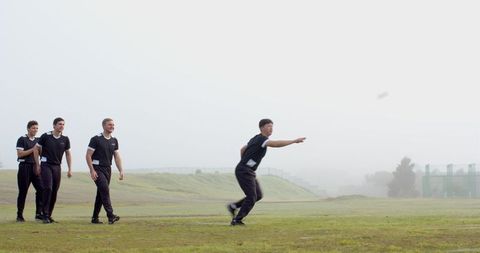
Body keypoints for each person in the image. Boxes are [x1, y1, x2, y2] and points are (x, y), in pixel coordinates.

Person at [227, 119, 306, 226]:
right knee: (251, 197)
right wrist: (293, 141)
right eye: (268, 126)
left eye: (272, 126)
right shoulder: (262, 139)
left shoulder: (255, 138)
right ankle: (237, 220)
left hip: (247, 170)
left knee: (258, 195)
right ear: (262, 128)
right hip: (244, 170)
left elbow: (242, 149)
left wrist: (244, 162)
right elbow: (275, 144)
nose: (271, 128)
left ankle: (233, 206)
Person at [34, 117, 72, 223]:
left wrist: (69, 168)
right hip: (46, 165)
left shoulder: (65, 139)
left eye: (63, 124)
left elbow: (68, 154)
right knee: (48, 188)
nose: (62, 126)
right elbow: (36, 149)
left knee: (54, 190)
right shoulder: (46, 136)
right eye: (59, 124)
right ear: (54, 125)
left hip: (57, 167)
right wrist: (37, 164)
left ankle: (49, 215)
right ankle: (44, 214)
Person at [86, 118, 124, 224]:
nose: (112, 126)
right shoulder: (96, 139)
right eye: (109, 125)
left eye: (113, 125)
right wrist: (92, 170)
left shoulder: (114, 140)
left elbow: (117, 156)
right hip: (97, 168)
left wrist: (121, 170)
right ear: (103, 126)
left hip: (108, 169)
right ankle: (110, 215)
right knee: (104, 189)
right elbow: (88, 155)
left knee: (101, 193)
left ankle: (94, 218)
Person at [15, 120, 44, 222]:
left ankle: (38, 214)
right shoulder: (22, 139)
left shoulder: (39, 140)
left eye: (36, 128)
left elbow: (41, 153)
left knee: (41, 189)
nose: (35, 130)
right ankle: (19, 215)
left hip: (35, 167)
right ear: (28, 128)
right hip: (24, 167)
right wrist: (33, 149)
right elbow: (20, 154)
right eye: (33, 128)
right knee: (23, 191)